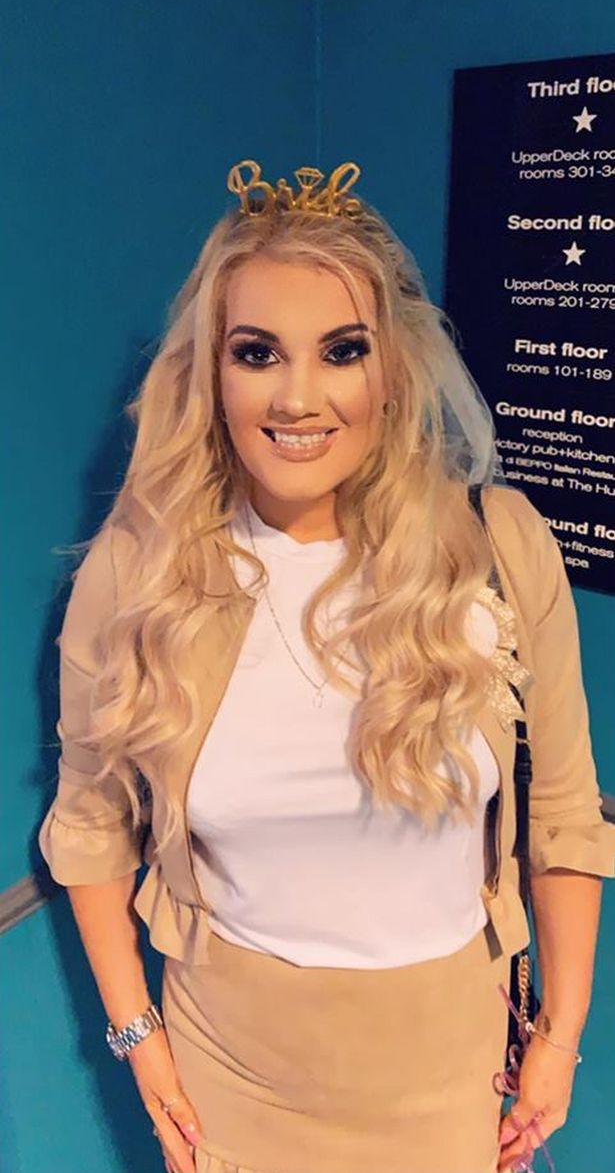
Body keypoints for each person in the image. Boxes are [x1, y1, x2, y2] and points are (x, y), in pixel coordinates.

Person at [38, 159, 615, 1173]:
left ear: (391, 368)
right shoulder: (138, 572)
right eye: (257, 352)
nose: (299, 396)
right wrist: (141, 1045)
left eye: (341, 350)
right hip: (231, 1081)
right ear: (212, 376)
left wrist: (559, 1041)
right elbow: (90, 824)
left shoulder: (497, 543)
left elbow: (565, 814)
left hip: (454, 1072)